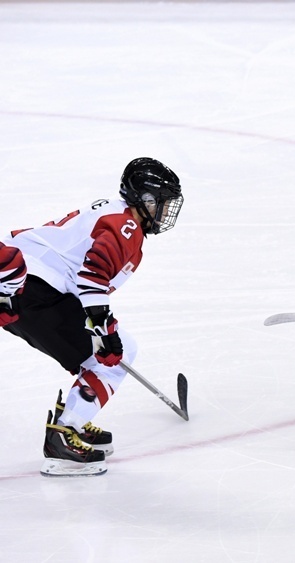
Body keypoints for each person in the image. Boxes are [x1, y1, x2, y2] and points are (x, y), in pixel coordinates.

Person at [0, 157, 184, 476]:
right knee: (112, 356)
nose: (166, 212)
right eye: (162, 203)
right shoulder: (125, 227)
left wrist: (100, 328)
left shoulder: (117, 215)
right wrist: (104, 331)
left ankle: (74, 419)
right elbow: (92, 278)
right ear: (145, 199)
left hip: (27, 285)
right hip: (33, 290)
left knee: (102, 354)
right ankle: (63, 438)